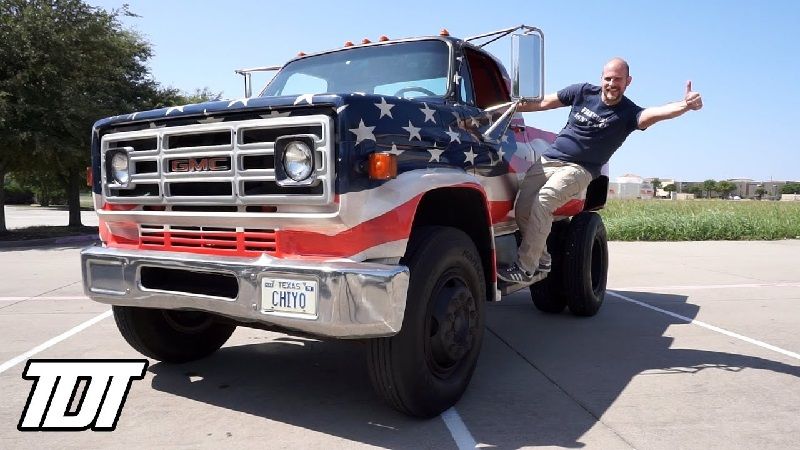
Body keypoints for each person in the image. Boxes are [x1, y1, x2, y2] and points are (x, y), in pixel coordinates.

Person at [498, 57, 703, 284]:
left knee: (545, 200)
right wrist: (506, 108)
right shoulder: (583, 92)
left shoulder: (629, 114)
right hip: (549, 160)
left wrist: (685, 105)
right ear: (601, 78)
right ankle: (542, 260)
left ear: (628, 82)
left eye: (618, 79)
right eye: (608, 78)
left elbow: (657, 113)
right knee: (523, 209)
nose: (612, 84)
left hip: (580, 169)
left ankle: (525, 268)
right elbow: (545, 102)